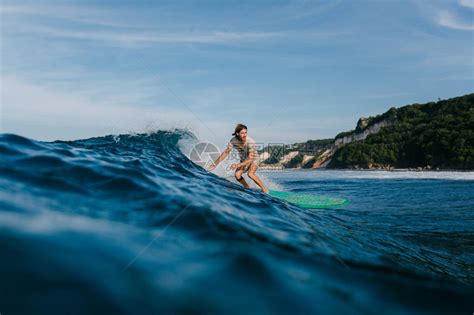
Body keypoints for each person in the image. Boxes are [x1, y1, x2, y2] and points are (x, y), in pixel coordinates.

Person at [207, 123, 269, 193]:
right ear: (237, 134)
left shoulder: (250, 142)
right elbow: (226, 152)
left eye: (245, 132)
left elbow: (250, 159)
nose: (244, 135)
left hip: (254, 159)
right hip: (243, 159)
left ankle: (264, 189)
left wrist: (238, 165)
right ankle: (247, 187)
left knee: (250, 174)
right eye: (242, 133)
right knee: (237, 175)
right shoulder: (233, 141)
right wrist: (215, 163)